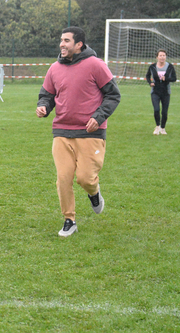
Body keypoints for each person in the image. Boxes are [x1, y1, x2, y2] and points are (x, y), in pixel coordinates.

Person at [36, 26, 121, 237]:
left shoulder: (95, 65)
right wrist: (44, 106)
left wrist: (98, 117)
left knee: (85, 178)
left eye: (66, 41)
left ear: (79, 44)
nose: (61, 44)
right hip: (62, 132)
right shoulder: (54, 68)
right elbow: (46, 94)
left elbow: (113, 95)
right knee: (63, 178)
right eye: (61, 40)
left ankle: (94, 192)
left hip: (90, 132)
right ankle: (69, 219)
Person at [146, 49, 177, 135]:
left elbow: (174, 78)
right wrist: (150, 82)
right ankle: (157, 126)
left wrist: (166, 78)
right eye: (160, 55)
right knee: (156, 109)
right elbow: (147, 76)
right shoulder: (152, 67)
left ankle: (163, 128)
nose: (162, 57)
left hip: (166, 92)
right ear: (157, 57)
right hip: (155, 92)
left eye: (163, 55)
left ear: (166, 57)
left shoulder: (170, 66)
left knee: (164, 111)